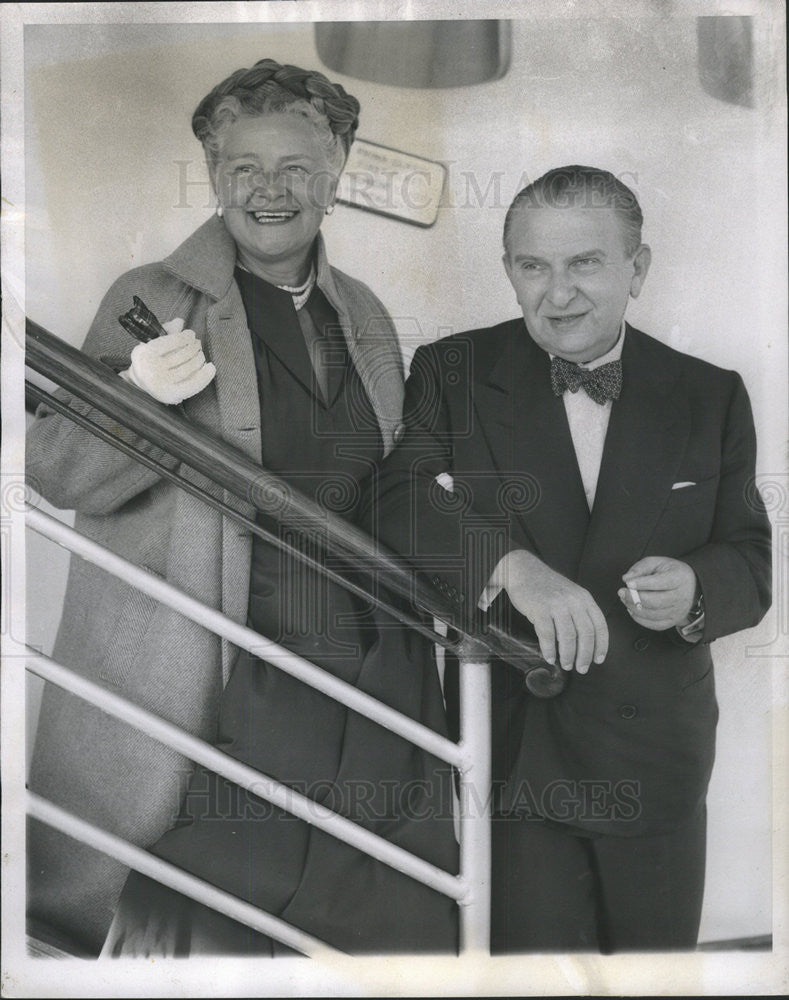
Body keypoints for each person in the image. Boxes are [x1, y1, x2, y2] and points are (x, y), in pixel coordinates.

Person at [27, 58, 457, 957]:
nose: (269, 191)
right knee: (203, 892)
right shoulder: (150, 295)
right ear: (214, 175)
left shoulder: (368, 314)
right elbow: (57, 475)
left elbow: (395, 481)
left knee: (377, 899)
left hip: (364, 655)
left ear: (336, 174)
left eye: (296, 168)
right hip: (218, 659)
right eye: (242, 168)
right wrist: (133, 397)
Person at [370, 165, 772, 952]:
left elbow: (751, 560)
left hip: (655, 753)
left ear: (637, 268)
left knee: (654, 976)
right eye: (533, 266)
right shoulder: (450, 371)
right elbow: (396, 497)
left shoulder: (711, 393)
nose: (558, 294)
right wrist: (509, 566)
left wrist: (696, 587)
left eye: (585, 262)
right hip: (519, 752)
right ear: (509, 272)